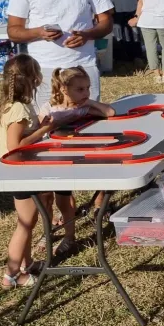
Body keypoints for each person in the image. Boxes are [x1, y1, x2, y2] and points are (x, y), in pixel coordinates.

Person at [6, 0, 114, 113]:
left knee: (88, 124)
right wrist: (39, 32)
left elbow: (107, 23)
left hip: (83, 66)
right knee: (49, 126)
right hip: (44, 68)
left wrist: (87, 34)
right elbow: (13, 31)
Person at [0, 54, 62, 289]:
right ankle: (11, 275)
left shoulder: (14, 105)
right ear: (33, 79)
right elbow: (16, 146)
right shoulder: (19, 109)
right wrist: (44, 129)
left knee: (29, 220)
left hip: (19, 169)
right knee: (25, 224)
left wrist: (37, 126)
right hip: (19, 170)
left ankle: (28, 262)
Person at [34, 65, 116, 253]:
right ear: (64, 89)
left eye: (88, 88)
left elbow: (110, 112)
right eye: (80, 89)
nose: (85, 92)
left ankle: (69, 237)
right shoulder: (50, 108)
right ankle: (48, 232)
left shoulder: (83, 108)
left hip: (71, 157)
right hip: (48, 159)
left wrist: (89, 103)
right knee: (45, 199)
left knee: (64, 199)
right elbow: (40, 130)